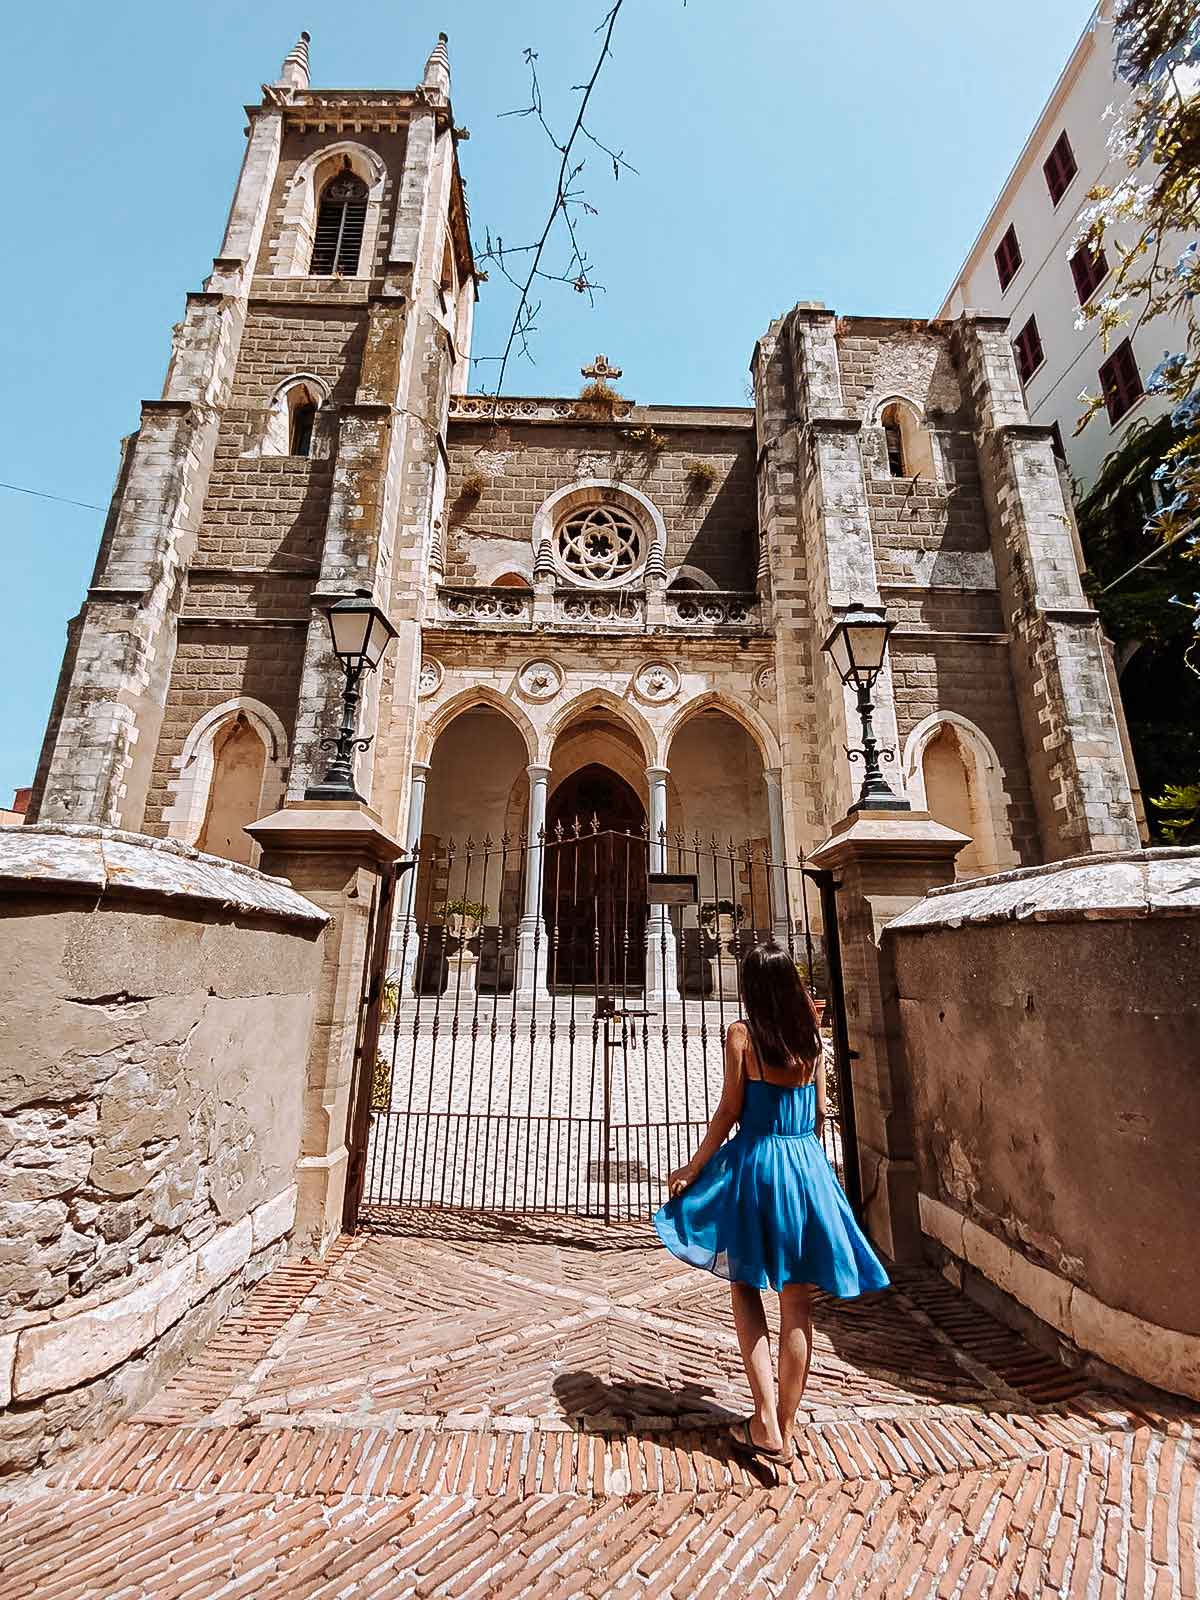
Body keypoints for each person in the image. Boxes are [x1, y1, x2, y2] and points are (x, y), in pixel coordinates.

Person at [654, 942, 889, 1462]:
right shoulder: (812, 1041)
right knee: (797, 1306)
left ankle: (763, 1418)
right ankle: (784, 1424)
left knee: (745, 1286)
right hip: (805, 1169)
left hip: (758, 1170)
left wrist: (694, 1168)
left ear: (751, 987)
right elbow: (822, 1112)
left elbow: (728, 1112)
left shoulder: (743, 1035)